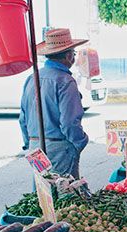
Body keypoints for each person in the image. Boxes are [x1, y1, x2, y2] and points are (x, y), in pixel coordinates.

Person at [19, 28, 89, 179]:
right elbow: (70, 123)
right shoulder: (65, 81)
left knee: (42, 195)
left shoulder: (32, 78)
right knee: (66, 196)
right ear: (69, 55)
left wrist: (29, 144)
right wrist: (80, 142)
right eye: (74, 54)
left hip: (34, 147)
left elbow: (23, 119)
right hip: (58, 149)